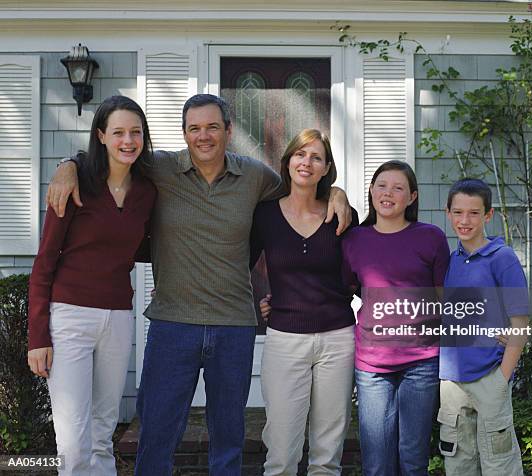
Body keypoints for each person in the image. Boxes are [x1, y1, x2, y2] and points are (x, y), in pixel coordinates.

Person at [46, 94, 352, 476]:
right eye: (194, 128)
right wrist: (68, 165)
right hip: (172, 323)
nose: (203, 136)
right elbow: (109, 154)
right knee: (156, 434)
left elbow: (300, 191)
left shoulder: (255, 176)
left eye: (212, 127)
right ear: (184, 133)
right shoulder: (160, 168)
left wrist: (336, 193)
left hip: (233, 327)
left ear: (228, 130)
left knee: (227, 439)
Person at [27, 95, 157, 475]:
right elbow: (45, 261)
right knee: (71, 440)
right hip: (70, 318)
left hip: (117, 317)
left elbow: (152, 245)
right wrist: (38, 337)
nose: (128, 141)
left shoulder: (148, 191)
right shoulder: (75, 184)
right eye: (118, 132)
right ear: (101, 135)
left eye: (136, 132)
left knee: (103, 432)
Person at [251, 129, 358, 475]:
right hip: (285, 339)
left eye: (316, 157)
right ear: (287, 162)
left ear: (327, 168)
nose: (307, 163)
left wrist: (339, 195)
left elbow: (357, 273)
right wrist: (260, 304)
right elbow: (238, 265)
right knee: (281, 451)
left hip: (338, 338)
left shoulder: (342, 215)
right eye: (300, 154)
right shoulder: (264, 215)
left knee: (327, 453)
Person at [341, 160, 450, 476]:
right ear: (372, 191)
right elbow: (344, 290)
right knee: (376, 464)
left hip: (422, 362)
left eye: (398, 188)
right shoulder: (354, 240)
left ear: (412, 197)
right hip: (372, 366)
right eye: (382, 185)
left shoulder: (430, 237)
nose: (388, 193)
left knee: (413, 460)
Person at [438, 178, 528, 475]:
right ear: (448, 213)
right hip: (452, 381)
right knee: (459, 462)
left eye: (474, 213)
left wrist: (503, 377)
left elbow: (520, 323)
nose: (465, 220)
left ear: (488, 215)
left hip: (490, 377)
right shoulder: (451, 261)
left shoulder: (503, 259)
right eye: (458, 212)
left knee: (498, 464)